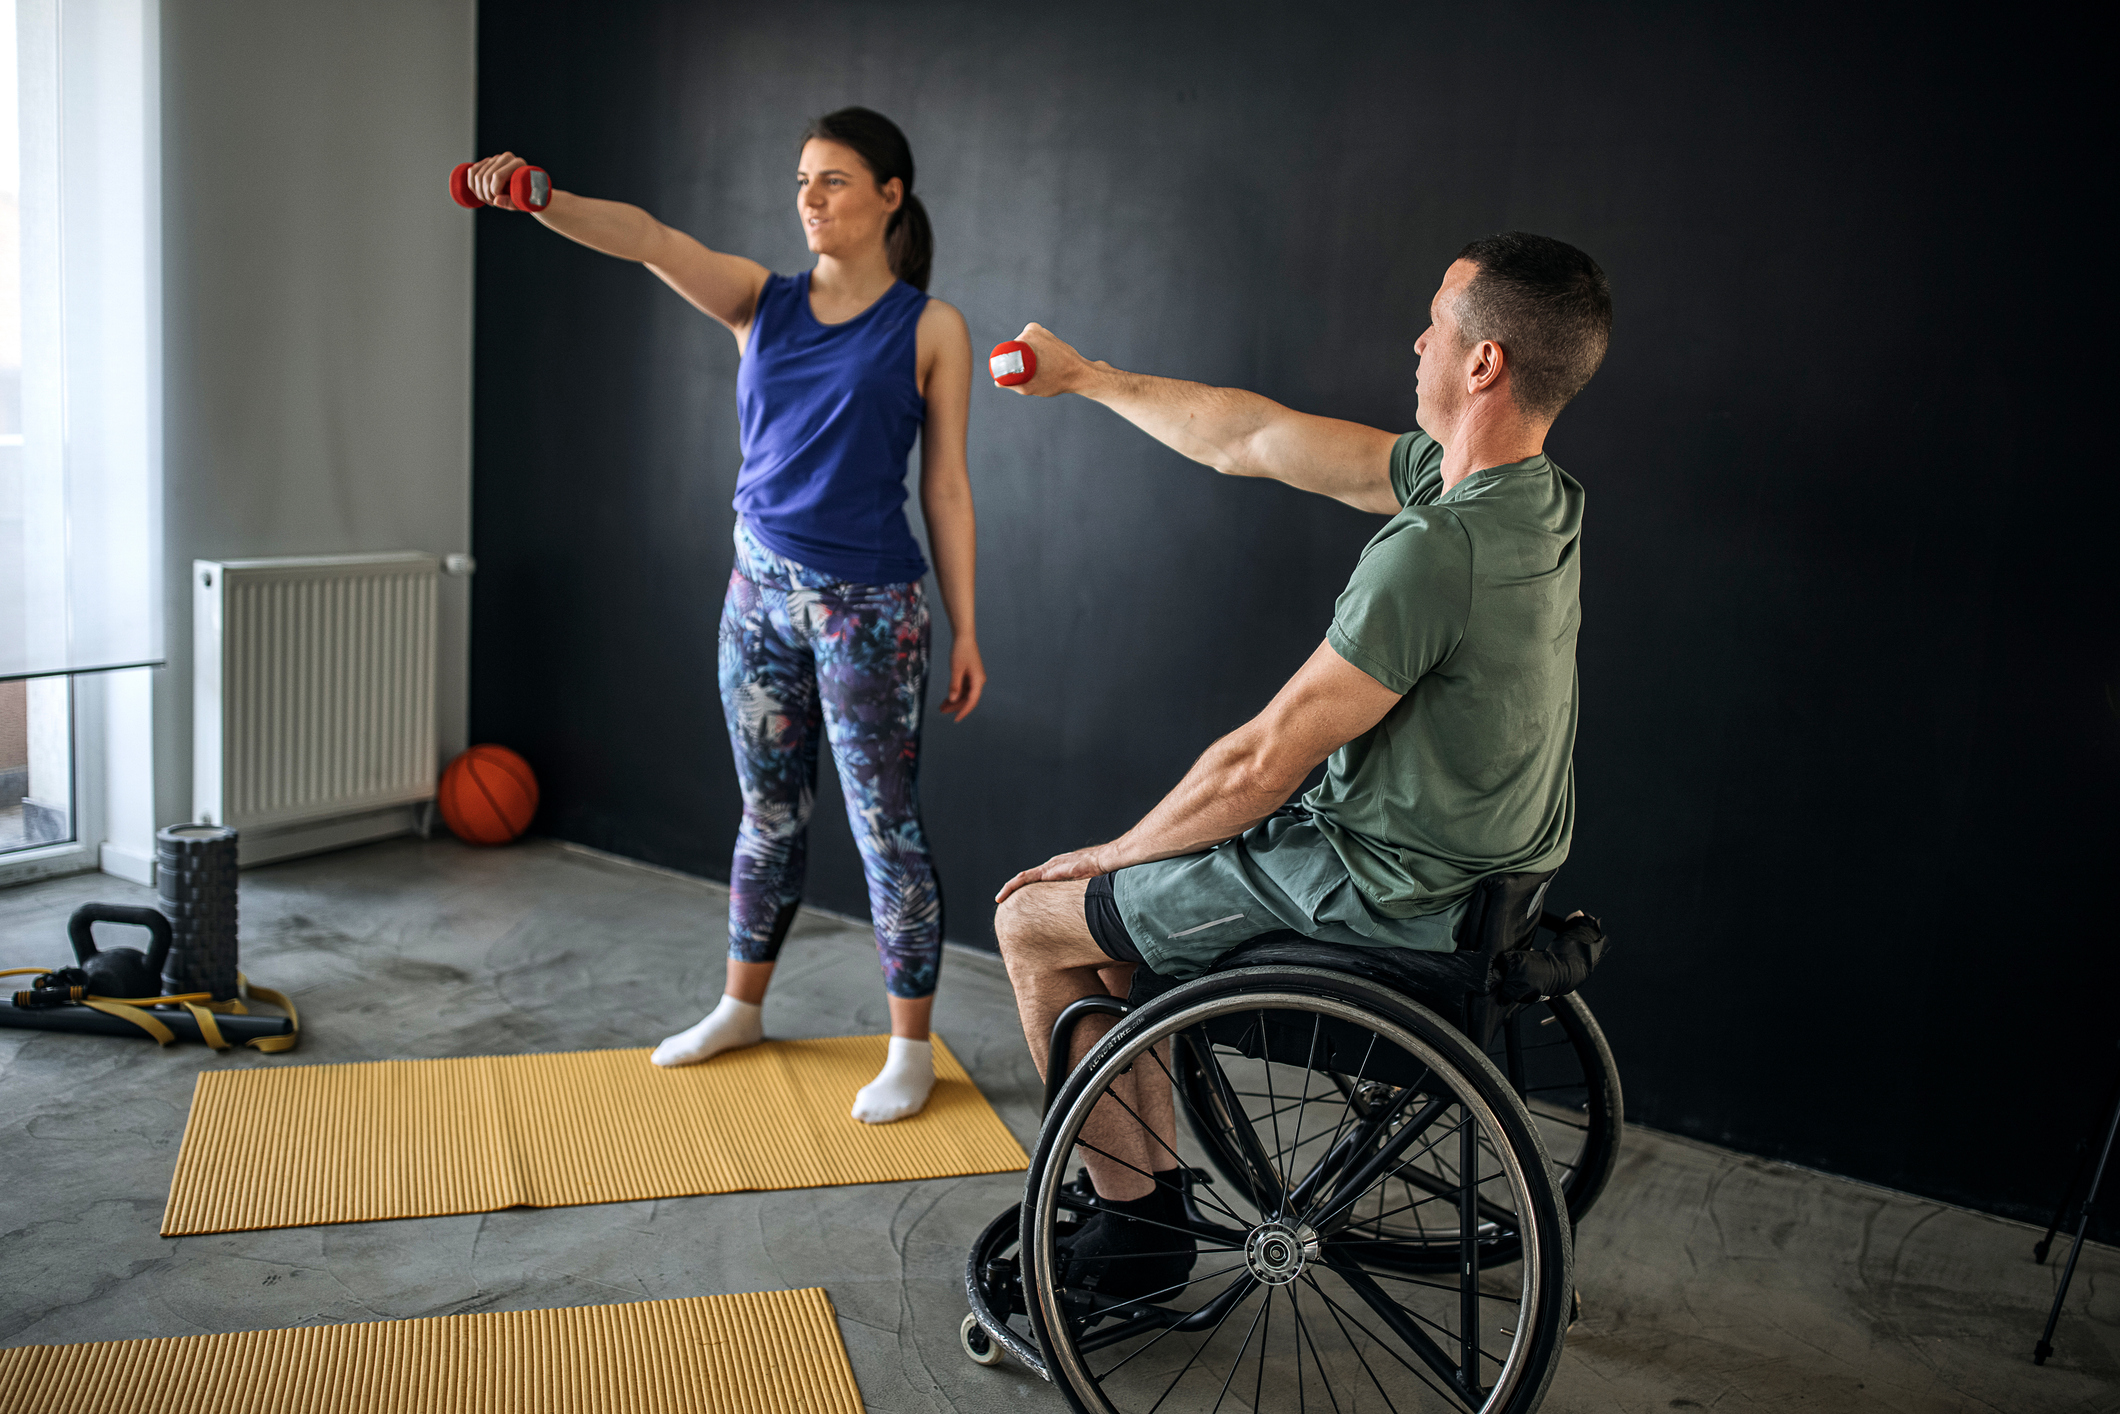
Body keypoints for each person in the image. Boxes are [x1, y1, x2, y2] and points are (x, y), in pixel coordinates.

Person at [988, 232, 1611, 1294]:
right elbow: (1259, 437)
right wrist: (1088, 377)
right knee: (1114, 931)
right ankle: (1140, 1179)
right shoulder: (1533, 502)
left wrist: (1102, 859)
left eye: (1433, 320)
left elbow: (1258, 764)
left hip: (1374, 895)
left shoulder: (1433, 552)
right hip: (1482, 888)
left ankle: (1137, 1236)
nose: (1414, 339)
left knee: (1032, 920)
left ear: (1482, 363)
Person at [460, 107, 983, 1124]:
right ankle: (740, 1006)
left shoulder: (930, 327)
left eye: (833, 180)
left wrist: (966, 627)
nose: (810, 199)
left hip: (868, 612)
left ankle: (908, 1045)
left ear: (888, 196)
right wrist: (541, 198)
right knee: (767, 817)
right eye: (800, 180)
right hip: (755, 596)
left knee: (885, 829)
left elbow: (948, 489)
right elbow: (651, 239)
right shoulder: (758, 299)